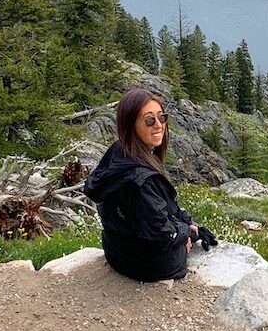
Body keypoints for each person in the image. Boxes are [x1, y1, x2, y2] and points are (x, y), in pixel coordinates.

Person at [84, 87, 212, 282]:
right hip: (147, 264)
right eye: (149, 120)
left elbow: (158, 208)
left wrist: (186, 222)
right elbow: (161, 234)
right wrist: (185, 235)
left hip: (116, 250)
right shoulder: (140, 181)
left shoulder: (120, 151)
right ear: (131, 125)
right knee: (179, 243)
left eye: (162, 117)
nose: (159, 125)